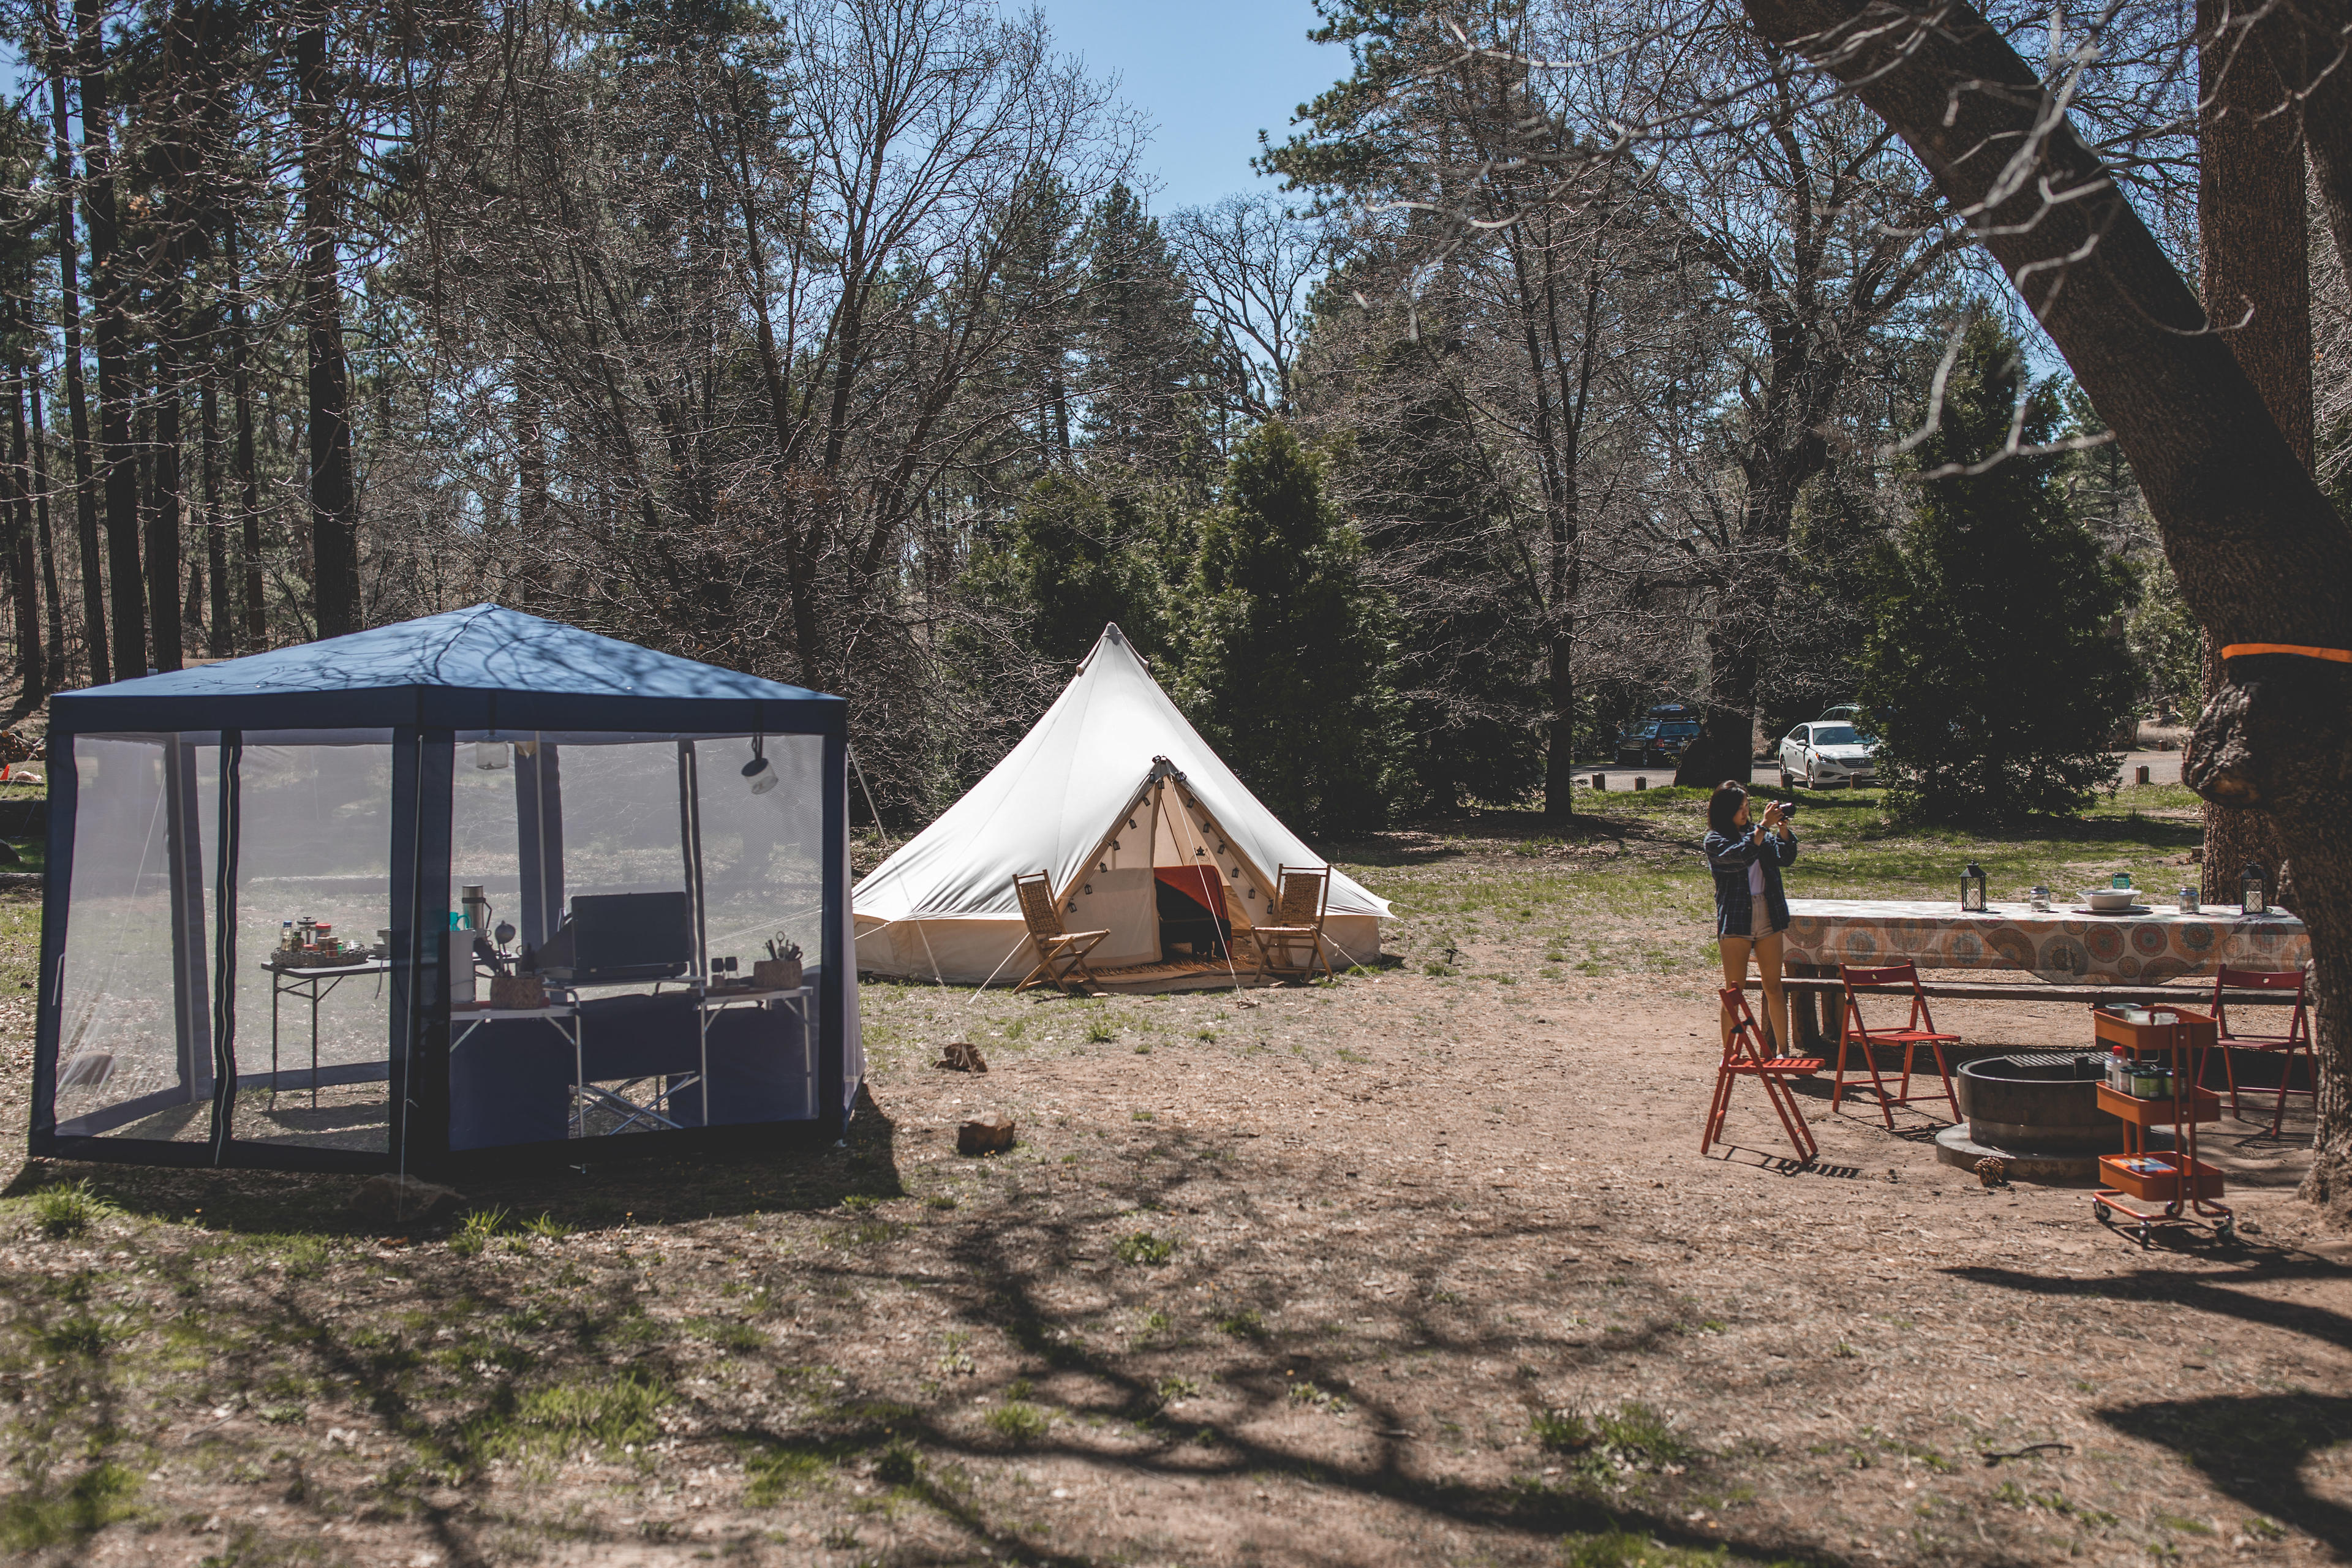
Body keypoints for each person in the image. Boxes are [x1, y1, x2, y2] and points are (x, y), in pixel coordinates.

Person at [1704, 781, 1796, 1055]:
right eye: (1740, 808)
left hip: (1768, 912)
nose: (1746, 813)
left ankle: (1783, 1051)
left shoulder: (1759, 832)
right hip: (1736, 917)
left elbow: (1786, 857)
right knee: (1735, 990)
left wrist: (1782, 829)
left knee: (1774, 986)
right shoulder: (1715, 840)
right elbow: (1741, 855)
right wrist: (1764, 828)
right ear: (1725, 810)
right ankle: (1731, 1054)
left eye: (1747, 807)